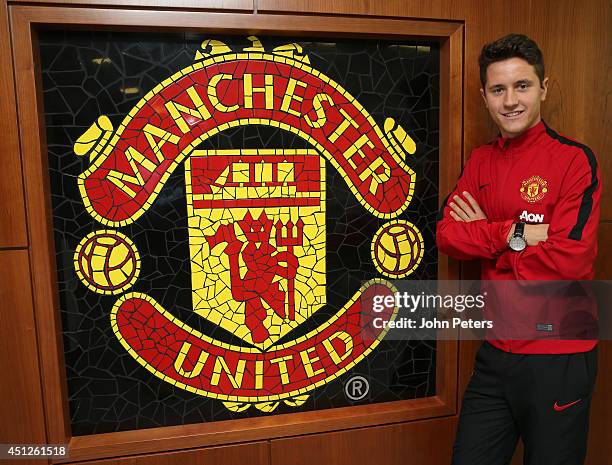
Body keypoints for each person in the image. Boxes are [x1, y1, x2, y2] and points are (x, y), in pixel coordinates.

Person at [436, 33, 601, 465]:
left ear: (544, 88)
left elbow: (569, 261)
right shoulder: (479, 161)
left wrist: (486, 235)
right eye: (498, 89)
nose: (510, 101)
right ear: (484, 96)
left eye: (522, 86)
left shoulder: (574, 161)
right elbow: (446, 235)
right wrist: (518, 233)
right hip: (495, 355)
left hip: (558, 357)